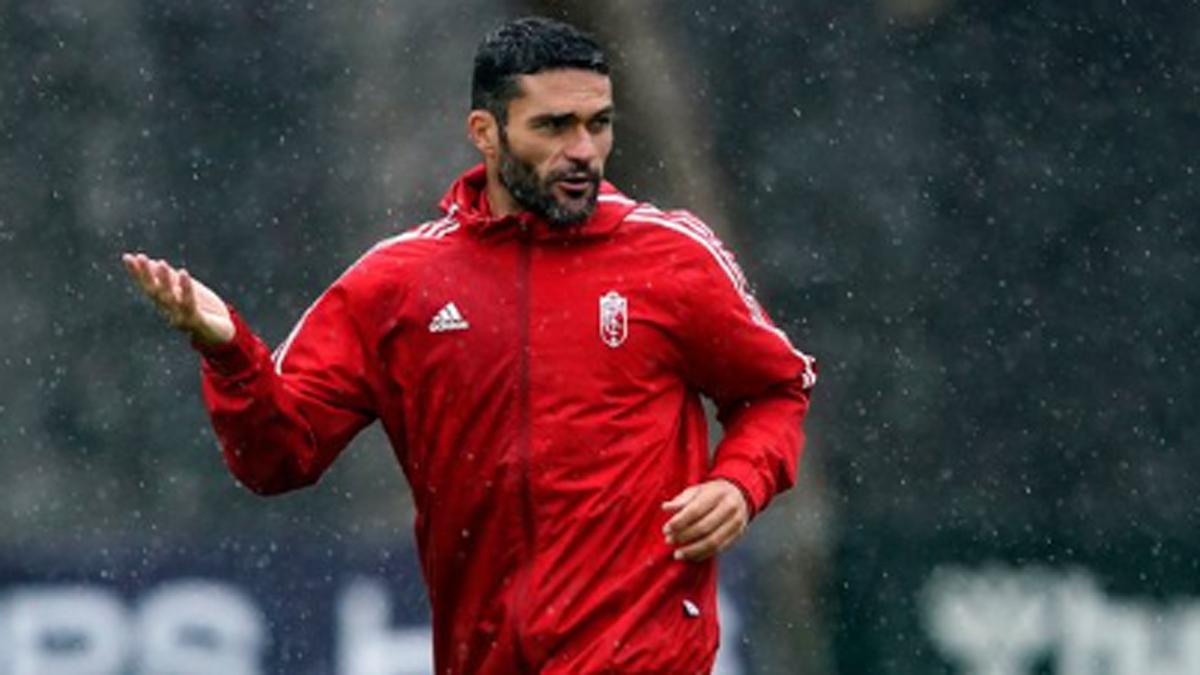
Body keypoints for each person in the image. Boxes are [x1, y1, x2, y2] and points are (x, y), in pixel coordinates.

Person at [121, 16, 817, 675]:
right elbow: (279, 457)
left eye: (598, 124)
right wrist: (231, 352)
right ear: (485, 132)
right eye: (553, 125)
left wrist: (739, 480)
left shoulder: (670, 257)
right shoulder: (396, 285)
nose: (583, 149)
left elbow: (776, 389)